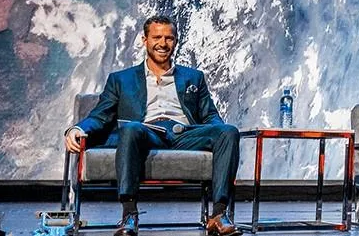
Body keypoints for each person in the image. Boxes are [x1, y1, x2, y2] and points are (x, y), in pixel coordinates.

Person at [64, 16, 240, 236]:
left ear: (175, 41)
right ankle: (129, 214)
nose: (162, 43)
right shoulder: (121, 79)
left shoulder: (194, 77)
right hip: (146, 132)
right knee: (130, 128)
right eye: (157, 37)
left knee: (229, 131)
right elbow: (100, 115)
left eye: (169, 38)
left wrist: (219, 133)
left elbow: (210, 116)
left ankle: (219, 215)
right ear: (144, 40)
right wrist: (77, 129)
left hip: (184, 134)